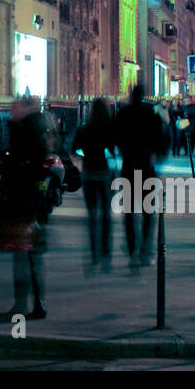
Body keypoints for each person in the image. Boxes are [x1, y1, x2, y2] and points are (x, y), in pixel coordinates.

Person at [0, 96, 55, 320]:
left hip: (23, 203)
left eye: (15, 106)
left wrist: (11, 190)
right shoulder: (35, 129)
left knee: (22, 254)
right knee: (30, 254)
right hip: (30, 201)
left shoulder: (27, 132)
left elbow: (24, 169)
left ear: (28, 108)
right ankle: (36, 303)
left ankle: (22, 305)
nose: (11, 110)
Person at [116, 84, 164, 265]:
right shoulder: (150, 114)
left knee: (128, 212)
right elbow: (160, 138)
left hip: (128, 166)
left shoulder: (123, 113)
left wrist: (123, 150)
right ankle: (145, 248)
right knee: (148, 211)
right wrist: (156, 154)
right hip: (146, 167)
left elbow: (116, 137)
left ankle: (131, 247)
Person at [74, 98, 115, 269]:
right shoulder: (109, 129)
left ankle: (93, 254)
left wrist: (86, 154)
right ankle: (106, 252)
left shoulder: (84, 128)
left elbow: (76, 148)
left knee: (92, 216)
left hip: (89, 173)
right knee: (106, 215)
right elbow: (113, 150)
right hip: (104, 174)